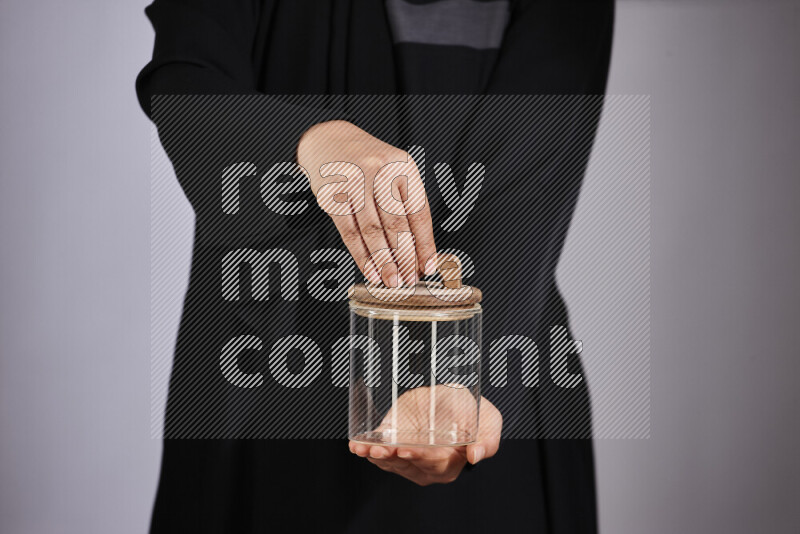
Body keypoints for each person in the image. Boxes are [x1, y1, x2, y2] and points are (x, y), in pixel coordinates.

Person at [137, 0, 614, 532]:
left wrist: (463, 380)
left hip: (499, 347)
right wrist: (309, 140)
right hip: (259, 371)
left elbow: (535, 176)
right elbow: (186, 76)